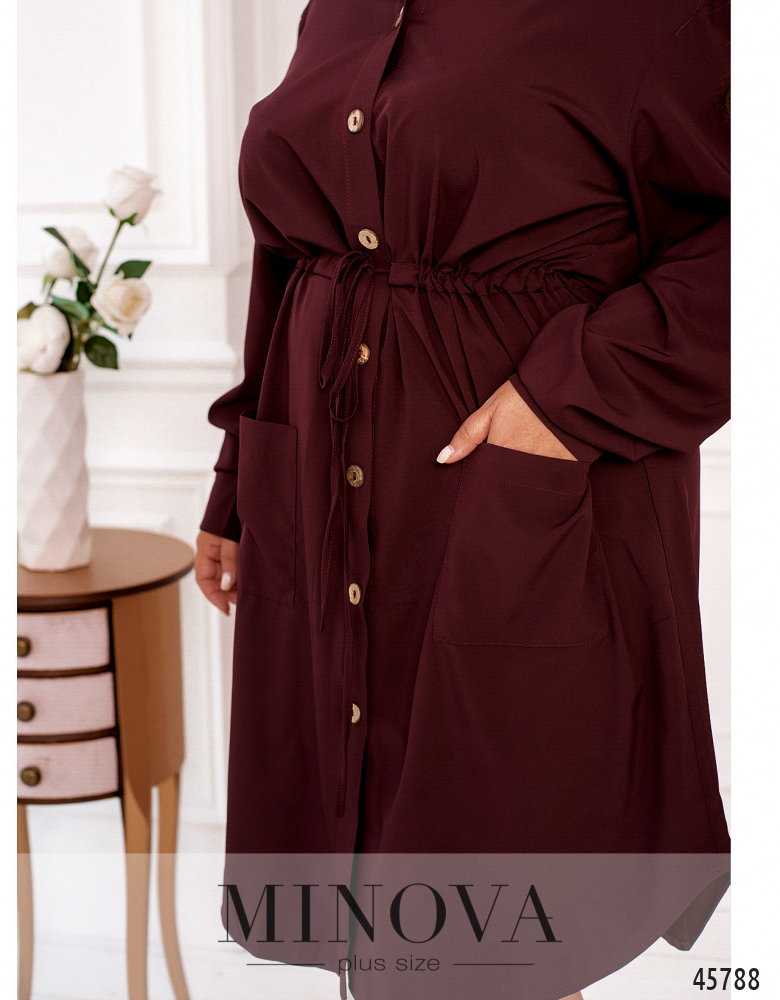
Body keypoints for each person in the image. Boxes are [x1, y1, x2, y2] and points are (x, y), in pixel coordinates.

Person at [195, 1, 731, 998]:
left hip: (519, 502)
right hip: (322, 488)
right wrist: (238, 481)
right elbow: (294, 258)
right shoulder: (340, 8)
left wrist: (568, 397)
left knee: (497, 928)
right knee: (371, 905)